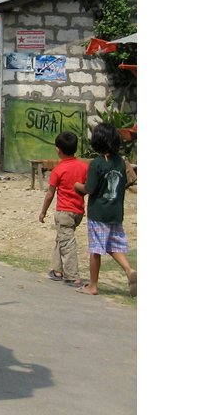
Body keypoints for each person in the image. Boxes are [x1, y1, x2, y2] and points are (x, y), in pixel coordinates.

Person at [72, 122, 137, 297]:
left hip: (99, 212)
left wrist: (78, 185)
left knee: (96, 249)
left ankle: (93, 285)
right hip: (115, 212)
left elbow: (90, 189)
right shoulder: (120, 162)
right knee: (113, 245)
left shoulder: (97, 164)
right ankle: (129, 270)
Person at [37, 131, 89, 288]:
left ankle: (72, 276)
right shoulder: (83, 167)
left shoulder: (58, 170)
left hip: (64, 211)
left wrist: (43, 211)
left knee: (67, 243)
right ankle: (57, 270)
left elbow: (50, 194)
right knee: (62, 238)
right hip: (78, 211)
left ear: (58, 150)